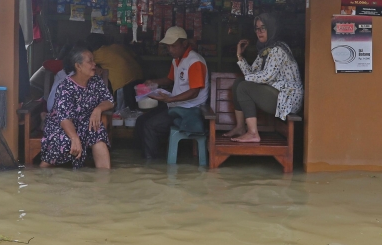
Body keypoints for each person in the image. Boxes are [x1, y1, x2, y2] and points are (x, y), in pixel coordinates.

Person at [223, 13, 303, 143]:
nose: (259, 32)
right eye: (257, 28)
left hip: (288, 98)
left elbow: (266, 76)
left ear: (271, 29)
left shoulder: (278, 49)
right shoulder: (265, 50)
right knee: (239, 82)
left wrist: (248, 78)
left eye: (263, 28)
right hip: (277, 93)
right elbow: (251, 73)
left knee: (243, 86)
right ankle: (240, 127)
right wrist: (240, 56)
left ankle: (253, 133)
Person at [134, 26, 209, 159]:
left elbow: (194, 92)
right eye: (168, 46)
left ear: (184, 44)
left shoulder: (194, 61)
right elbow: (170, 79)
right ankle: (143, 158)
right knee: (141, 121)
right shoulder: (177, 59)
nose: (170, 50)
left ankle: (150, 163)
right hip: (176, 104)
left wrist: (170, 100)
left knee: (150, 126)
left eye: (173, 46)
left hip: (190, 108)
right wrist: (154, 83)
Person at [40, 47, 114, 169]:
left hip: (87, 121)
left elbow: (109, 101)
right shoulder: (65, 86)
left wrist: (98, 109)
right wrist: (75, 138)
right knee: (64, 141)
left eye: (93, 60)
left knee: (98, 134)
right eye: (90, 61)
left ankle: (104, 179)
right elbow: (64, 118)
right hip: (61, 124)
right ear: (78, 66)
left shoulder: (96, 81)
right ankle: (40, 173)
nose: (94, 64)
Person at [86, 33, 144, 110]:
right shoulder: (118, 47)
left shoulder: (98, 53)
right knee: (135, 109)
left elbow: (85, 63)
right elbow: (136, 56)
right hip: (138, 78)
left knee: (121, 111)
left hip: (124, 83)